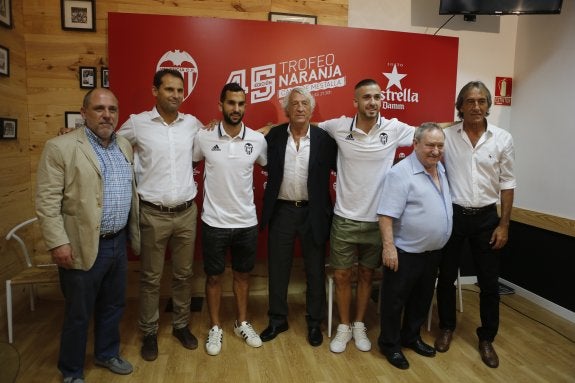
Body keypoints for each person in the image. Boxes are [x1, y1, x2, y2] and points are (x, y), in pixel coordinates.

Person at [36, 88, 139, 383]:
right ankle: (71, 371)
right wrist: (58, 242)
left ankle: (107, 354)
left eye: (112, 110)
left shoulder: (124, 146)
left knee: (113, 305)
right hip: (81, 245)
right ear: (84, 113)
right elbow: (47, 202)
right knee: (78, 313)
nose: (107, 115)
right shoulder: (61, 147)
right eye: (99, 108)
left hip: (118, 242)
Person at [317, 79, 416, 353]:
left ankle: (359, 323)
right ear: (355, 102)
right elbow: (304, 127)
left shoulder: (394, 128)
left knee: (366, 275)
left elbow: (429, 133)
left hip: (378, 221)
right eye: (366, 97)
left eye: (377, 96)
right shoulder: (338, 126)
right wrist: (270, 129)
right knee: (341, 276)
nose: (373, 102)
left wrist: (461, 124)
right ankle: (344, 326)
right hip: (345, 218)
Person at [118, 68, 203, 361]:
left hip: (186, 213)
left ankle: (181, 325)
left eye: (180, 90)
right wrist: (76, 133)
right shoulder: (137, 124)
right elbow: (111, 145)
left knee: (184, 274)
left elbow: (215, 139)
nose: (176, 95)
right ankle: (149, 332)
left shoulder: (192, 123)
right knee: (151, 279)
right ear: (155, 91)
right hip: (152, 214)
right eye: (169, 89)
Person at [435, 81, 516, 368]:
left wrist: (503, 225)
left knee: (490, 283)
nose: (476, 106)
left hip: (486, 218)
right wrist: (449, 122)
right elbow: (424, 134)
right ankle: (446, 327)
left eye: (481, 101)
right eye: (470, 101)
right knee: (445, 277)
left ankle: (486, 338)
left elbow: (507, 184)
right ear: (460, 106)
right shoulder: (446, 136)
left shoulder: (502, 138)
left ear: (488, 105)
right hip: (453, 215)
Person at [192, 83, 267, 356]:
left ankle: (241, 323)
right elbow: (191, 160)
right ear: (221, 105)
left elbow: (267, 163)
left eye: (241, 104)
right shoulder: (204, 137)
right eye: (231, 103)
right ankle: (215, 326)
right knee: (213, 278)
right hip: (214, 222)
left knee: (242, 276)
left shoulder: (257, 140)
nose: (236, 109)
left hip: (246, 222)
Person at [259, 87, 337, 347]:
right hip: (281, 211)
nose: (300, 108)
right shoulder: (274, 136)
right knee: (278, 268)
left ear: (311, 109)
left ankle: (315, 322)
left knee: (315, 270)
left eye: (305, 103)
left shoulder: (325, 139)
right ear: (287, 110)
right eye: (295, 104)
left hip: (313, 212)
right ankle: (277, 319)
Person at [377, 123, 453, 370]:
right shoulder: (400, 174)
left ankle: (411, 337)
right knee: (394, 301)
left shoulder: (439, 168)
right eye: (430, 145)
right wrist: (388, 248)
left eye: (440, 145)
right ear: (416, 144)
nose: (435, 150)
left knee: (421, 300)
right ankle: (390, 344)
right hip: (404, 252)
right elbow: (386, 215)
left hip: (432, 252)